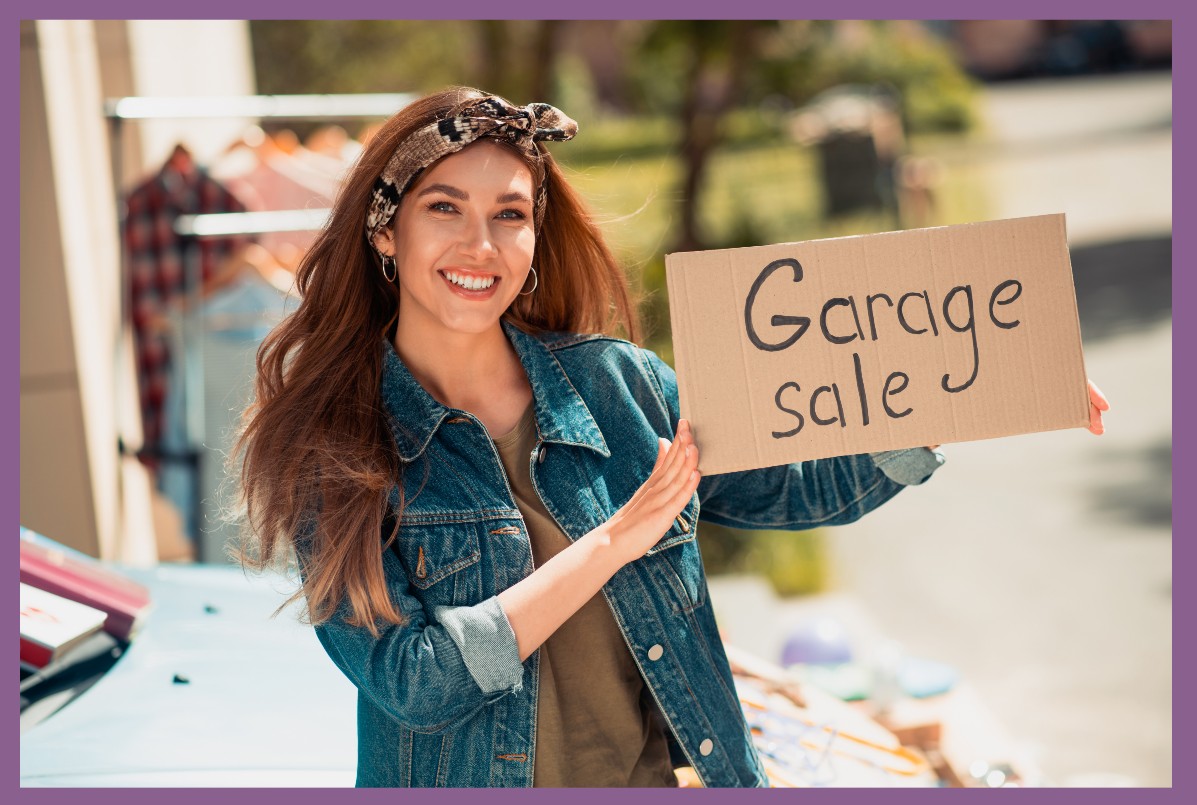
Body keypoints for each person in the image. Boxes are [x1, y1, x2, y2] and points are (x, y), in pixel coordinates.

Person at [234, 87, 1109, 788]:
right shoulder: (335, 447)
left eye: (509, 213)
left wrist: (984, 385)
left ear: (535, 236)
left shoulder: (614, 386)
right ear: (386, 230)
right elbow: (417, 683)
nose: (480, 243)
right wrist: (615, 539)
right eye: (444, 208)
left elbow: (790, 484)